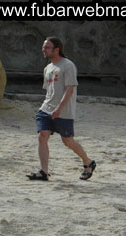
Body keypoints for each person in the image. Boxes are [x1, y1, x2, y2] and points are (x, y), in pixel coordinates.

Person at [27, 36, 96, 181]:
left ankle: (88, 162)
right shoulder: (48, 68)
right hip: (46, 108)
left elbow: (69, 89)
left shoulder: (68, 65)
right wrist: (50, 106)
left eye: (47, 47)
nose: (43, 50)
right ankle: (44, 172)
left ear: (56, 50)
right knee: (42, 136)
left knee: (68, 141)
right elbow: (49, 90)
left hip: (63, 111)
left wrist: (59, 108)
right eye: (43, 47)